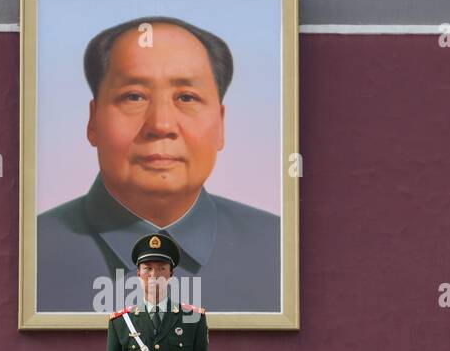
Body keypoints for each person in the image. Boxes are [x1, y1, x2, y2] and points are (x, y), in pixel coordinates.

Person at [36, 16, 280, 313]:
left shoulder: (279, 250)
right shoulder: (31, 252)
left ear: (221, 124)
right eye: (134, 96)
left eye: (187, 97)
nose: (161, 124)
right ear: (92, 121)